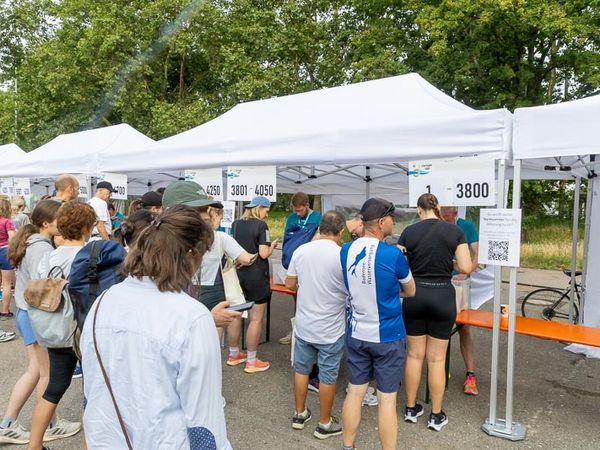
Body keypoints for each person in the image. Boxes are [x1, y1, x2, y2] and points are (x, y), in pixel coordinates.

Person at [80, 205, 231, 449]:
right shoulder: (192, 317)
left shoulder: (103, 301)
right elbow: (205, 424)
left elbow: (91, 391)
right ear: (191, 254)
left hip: (105, 439)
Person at [0, 200, 79, 445]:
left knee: (37, 371)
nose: (63, 224)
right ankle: (40, 425)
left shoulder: (33, 242)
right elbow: (42, 287)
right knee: (44, 373)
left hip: (27, 314)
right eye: (59, 219)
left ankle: (10, 424)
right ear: (46, 223)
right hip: (35, 315)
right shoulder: (41, 248)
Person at [340, 198, 415, 450]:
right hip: (388, 337)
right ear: (382, 222)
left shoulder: (345, 250)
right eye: (392, 218)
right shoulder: (393, 255)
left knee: (354, 393)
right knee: (386, 401)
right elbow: (411, 290)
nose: (394, 223)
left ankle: (347, 446)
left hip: (357, 333)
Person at [398, 194, 472, 432]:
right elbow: (466, 267)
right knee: (437, 359)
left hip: (415, 294)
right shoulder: (454, 232)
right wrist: (447, 263)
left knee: (414, 356)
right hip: (442, 295)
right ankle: (436, 415)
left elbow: (400, 264)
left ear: (420, 210)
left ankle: (410, 409)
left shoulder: (409, 232)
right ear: (438, 208)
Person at [27, 202, 97, 450]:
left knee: (54, 388)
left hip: (55, 331)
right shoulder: (91, 255)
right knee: (92, 394)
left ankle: (34, 445)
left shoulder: (48, 257)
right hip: (83, 332)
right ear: (87, 227)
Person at [285, 211, 347, 440]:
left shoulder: (301, 251)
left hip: (304, 324)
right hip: (331, 328)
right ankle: (324, 423)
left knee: (301, 369)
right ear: (341, 232)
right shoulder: (342, 255)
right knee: (328, 376)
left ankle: (300, 414)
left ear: (320, 228)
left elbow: (290, 283)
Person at [161, 181, 242, 329]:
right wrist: (206, 320)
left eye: (206, 209)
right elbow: (162, 324)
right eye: (198, 210)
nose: (206, 216)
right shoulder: (158, 262)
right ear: (172, 214)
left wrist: (206, 319)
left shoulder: (184, 257)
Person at [196, 205, 255, 357]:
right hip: (214, 289)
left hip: (190, 287)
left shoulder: (187, 236)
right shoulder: (221, 237)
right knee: (215, 326)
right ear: (214, 217)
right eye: (220, 218)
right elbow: (246, 259)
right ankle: (210, 357)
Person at [231, 196, 278, 373]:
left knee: (236, 315)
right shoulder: (261, 226)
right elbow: (264, 254)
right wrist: (272, 245)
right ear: (259, 208)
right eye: (266, 210)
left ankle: (234, 354)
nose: (267, 214)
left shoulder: (236, 224)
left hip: (239, 276)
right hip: (257, 277)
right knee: (256, 318)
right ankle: (251, 361)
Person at [441, 206, 480, 395]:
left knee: (464, 328)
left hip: (460, 285)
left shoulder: (466, 226)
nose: (444, 216)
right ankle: (441, 369)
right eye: (442, 212)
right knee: (440, 329)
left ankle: (470, 375)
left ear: (455, 212)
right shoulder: (436, 225)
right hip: (440, 283)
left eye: (447, 213)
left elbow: (477, 254)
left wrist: (466, 273)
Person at [279, 192, 321, 345]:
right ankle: (296, 330)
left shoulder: (317, 217)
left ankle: (308, 333)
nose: (297, 213)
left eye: (300, 210)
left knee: (310, 300)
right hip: (293, 264)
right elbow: (286, 240)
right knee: (297, 298)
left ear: (307, 206)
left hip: (310, 266)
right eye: (295, 210)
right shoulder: (291, 218)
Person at [0, 198, 16, 320]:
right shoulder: (7, 222)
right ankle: (5, 311)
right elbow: (12, 237)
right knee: (6, 284)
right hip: (4, 251)